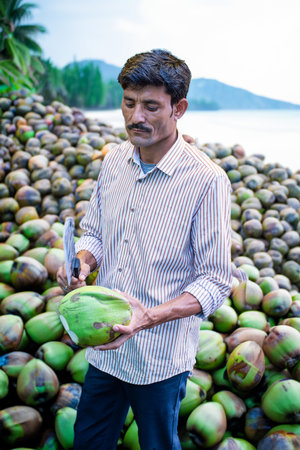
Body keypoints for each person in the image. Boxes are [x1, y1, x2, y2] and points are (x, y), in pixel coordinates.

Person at [57, 49, 232, 450]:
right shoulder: (115, 160)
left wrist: (147, 317)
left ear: (179, 108)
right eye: (129, 103)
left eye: (151, 106)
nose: (136, 117)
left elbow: (216, 279)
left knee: (156, 444)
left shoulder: (207, 181)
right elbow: (95, 232)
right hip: (105, 348)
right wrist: (82, 262)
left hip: (160, 358)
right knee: (88, 442)